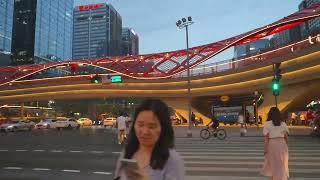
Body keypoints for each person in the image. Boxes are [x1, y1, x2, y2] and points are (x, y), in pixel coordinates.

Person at [114, 99, 185, 180]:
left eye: (152, 127)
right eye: (140, 125)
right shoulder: (128, 152)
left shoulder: (172, 160)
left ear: (163, 128)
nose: (145, 132)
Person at [261, 107, 289, 180]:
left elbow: (266, 138)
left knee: (273, 164)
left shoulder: (267, 124)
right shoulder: (283, 124)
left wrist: (265, 149)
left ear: (270, 114)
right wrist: (285, 146)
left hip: (272, 144)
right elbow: (286, 137)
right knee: (282, 164)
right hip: (282, 144)